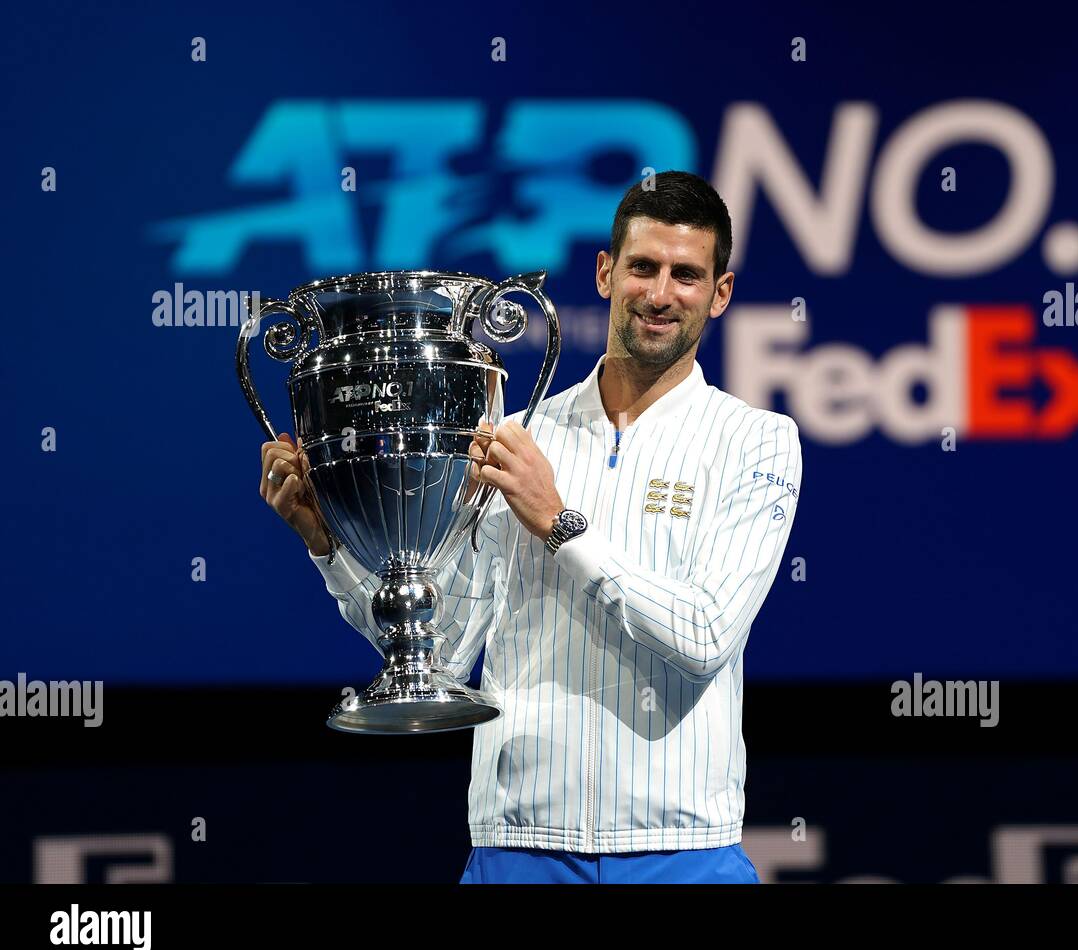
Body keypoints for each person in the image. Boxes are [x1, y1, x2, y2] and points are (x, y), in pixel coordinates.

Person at [260, 171, 802, 883]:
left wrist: (559, 523)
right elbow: (445, 655)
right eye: (642, 267)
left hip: (684, 851)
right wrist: (328, 545)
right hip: (518, 845)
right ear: (607, 273)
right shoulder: (513, 436)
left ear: (720, 293)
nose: (661, 294)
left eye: (686, 275)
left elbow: (704, 637)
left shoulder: (756, 441)